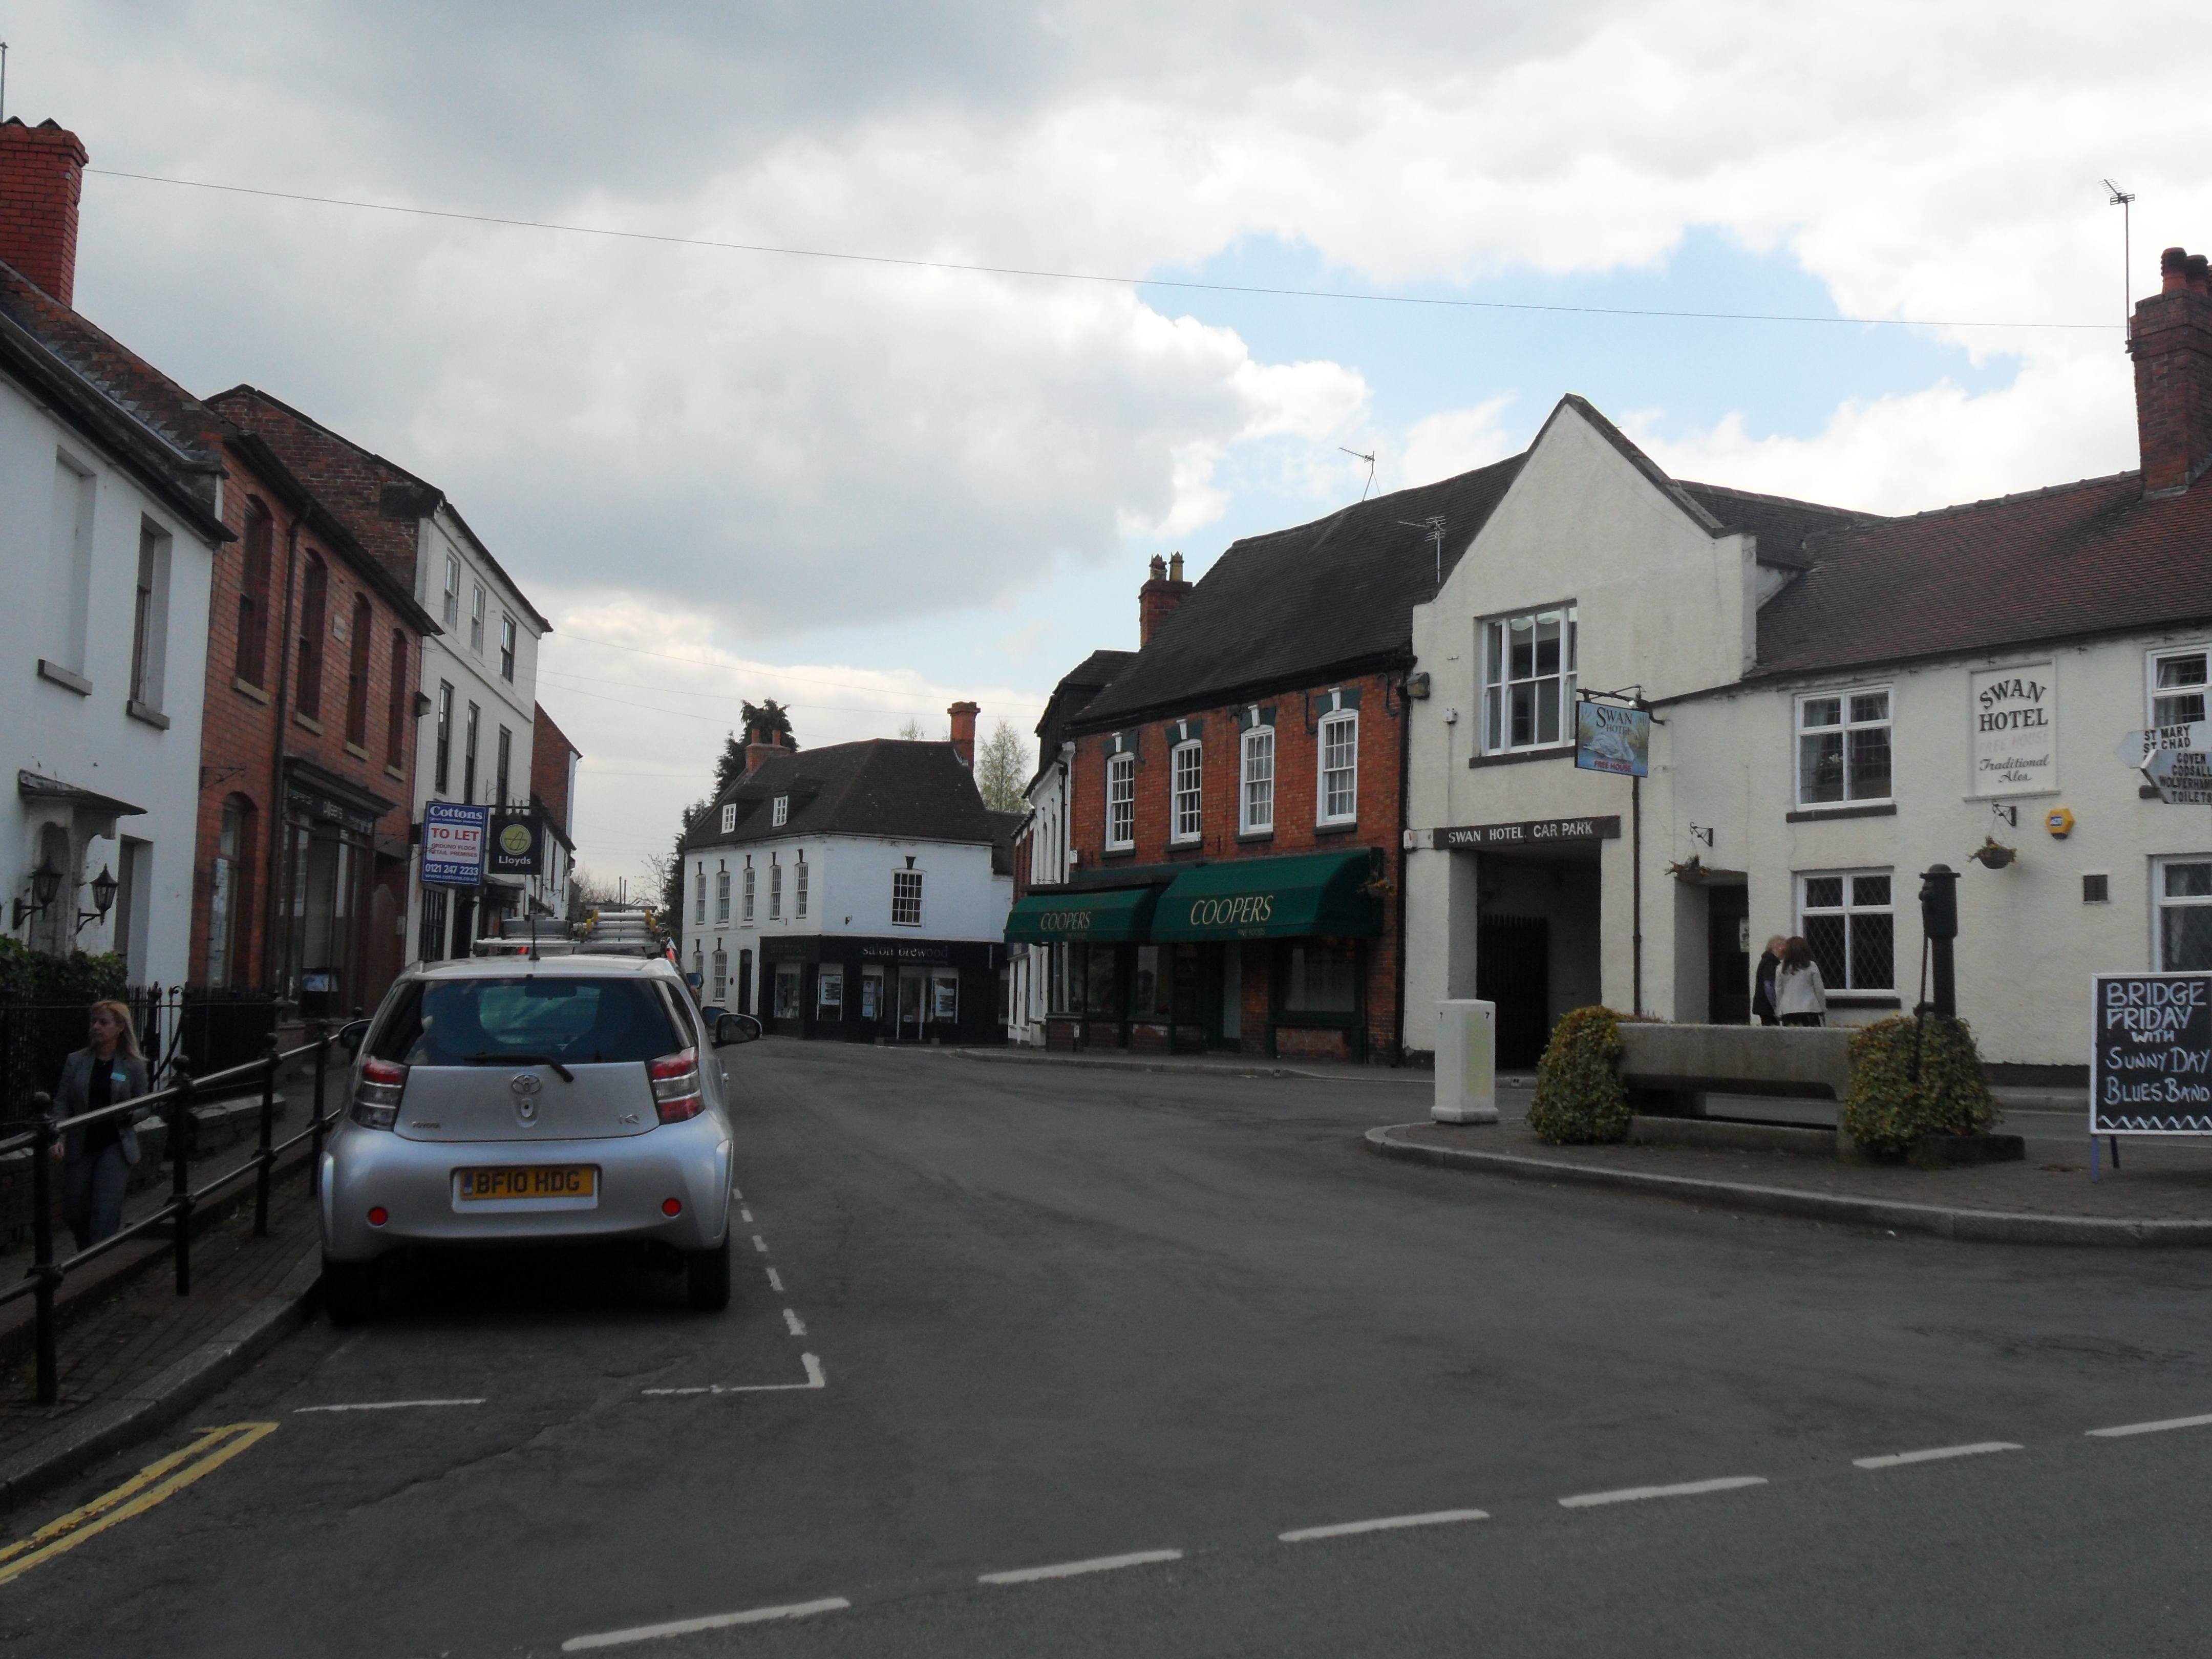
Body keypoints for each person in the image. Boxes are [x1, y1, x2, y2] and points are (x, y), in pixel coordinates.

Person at [52, 1000, 150, 1252]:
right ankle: (86, 1251)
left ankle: (95, 1265)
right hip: (81, 1143)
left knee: (104, 1209)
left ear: (119, 1027)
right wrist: (59, 1138)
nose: (96, 1027)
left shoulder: (133, 1065)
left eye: (103, 1022)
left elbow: (146, 1104)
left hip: (115, 1145)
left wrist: (130, 1116)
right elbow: (62, 1102)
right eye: (94, 1022)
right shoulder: (76, 1061)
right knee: (74, 1210)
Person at [1773, 936, 1828, 1027]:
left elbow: (1779, 991)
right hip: (1810, 1008)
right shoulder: (1811, 966)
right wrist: (1823, 1009)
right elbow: (1819, 989)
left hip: (1788, 1010)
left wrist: (1779, 1010)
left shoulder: (1781, 968)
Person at [1752, 935, 1786, 1027]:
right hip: (1767, 1007)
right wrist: (1775, 1007)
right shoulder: (1770, 963)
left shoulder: (1766, 961)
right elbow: (1769, 986)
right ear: (1776, 947)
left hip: (1764, 1006)